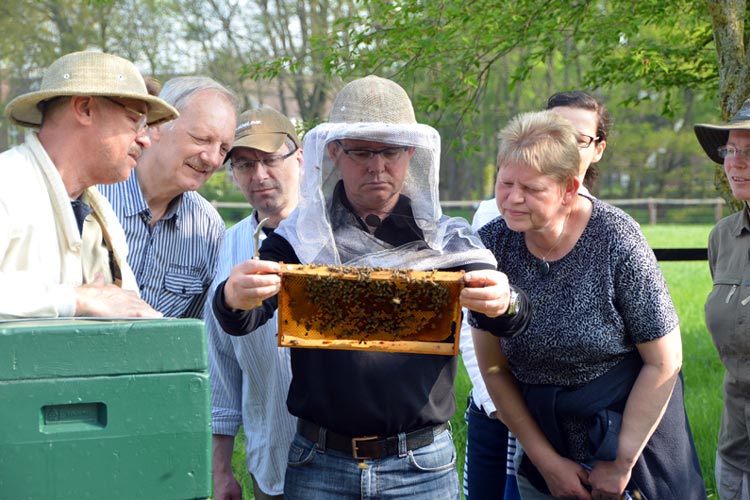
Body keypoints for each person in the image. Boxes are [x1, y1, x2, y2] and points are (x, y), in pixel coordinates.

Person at [212, 75, 531, 500]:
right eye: (362, 152)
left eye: (390, 152)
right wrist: (233, 296)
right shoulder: (297, 238)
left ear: (410, 155)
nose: (376, 167)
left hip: (421, 466)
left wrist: (503, 300)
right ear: (335, 153)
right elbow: (244, 317)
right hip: (320, 461)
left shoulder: (444, 239)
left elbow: (511, 316)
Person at [471, 110, 707, 500]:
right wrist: (548, 464)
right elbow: (494, 369)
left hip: (630, 445)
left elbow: (664, 360)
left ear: (569, 189)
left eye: (531, 189)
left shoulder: (617, 240)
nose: (512, 198)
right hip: (544, 448)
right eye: (505, 183)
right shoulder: (492, 245)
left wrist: (620, 463)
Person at [461, 90, 611, 500]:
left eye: (577, 138)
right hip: (497, 404)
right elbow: (474, 325)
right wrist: (493, 400)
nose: (560, 141)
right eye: (553, 129)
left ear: (596, 150)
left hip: (559, 414)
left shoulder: (608, 230)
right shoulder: (496, 216)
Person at [0, 50, 178, 319]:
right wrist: (73, 300)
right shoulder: (8, 182)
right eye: (135, 120)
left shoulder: (101, 213)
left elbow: (130, 311)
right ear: (84, 109)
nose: (145, 140)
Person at [205, 107, 303, 500]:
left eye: (269, 159)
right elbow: (221, 366)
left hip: (345, 466)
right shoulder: (228, 247)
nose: (258, 175)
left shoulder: (337, 237)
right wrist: (220, 469)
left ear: (300, 158)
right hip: (270, 463)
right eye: (245, 164)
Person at [99, 76, 237, 318]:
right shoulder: (95, 197)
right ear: (156, 126)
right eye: (202, 139)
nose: (213, 159)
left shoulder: (207, 229)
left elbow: (192, 334)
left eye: (224, 149)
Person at [695, 99, 750, 500]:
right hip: (733, 449)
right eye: (730, 150)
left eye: (749, 151)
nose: (735, 163)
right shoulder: (723, 237)